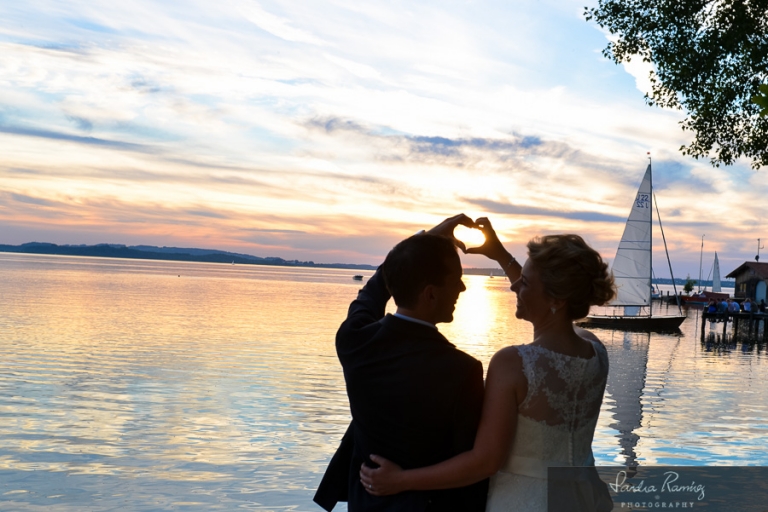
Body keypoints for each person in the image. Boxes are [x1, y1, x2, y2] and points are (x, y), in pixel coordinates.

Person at [359, 219, 615, 511]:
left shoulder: (513, 364)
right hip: (584, 496)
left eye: (525, 283)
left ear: (556, 298)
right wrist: (500, 255)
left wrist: (402, 480)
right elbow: (554, 307)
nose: (514, 286)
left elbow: (484, 462)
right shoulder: (594, 351)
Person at [313, 214, 492, 512]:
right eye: (456, 280)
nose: (462, 289)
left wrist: (420, 242)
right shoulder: (462, 370)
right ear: (430, 293)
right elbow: (468, 461)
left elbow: (370, 294)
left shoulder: (354, 341)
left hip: (366, 503)